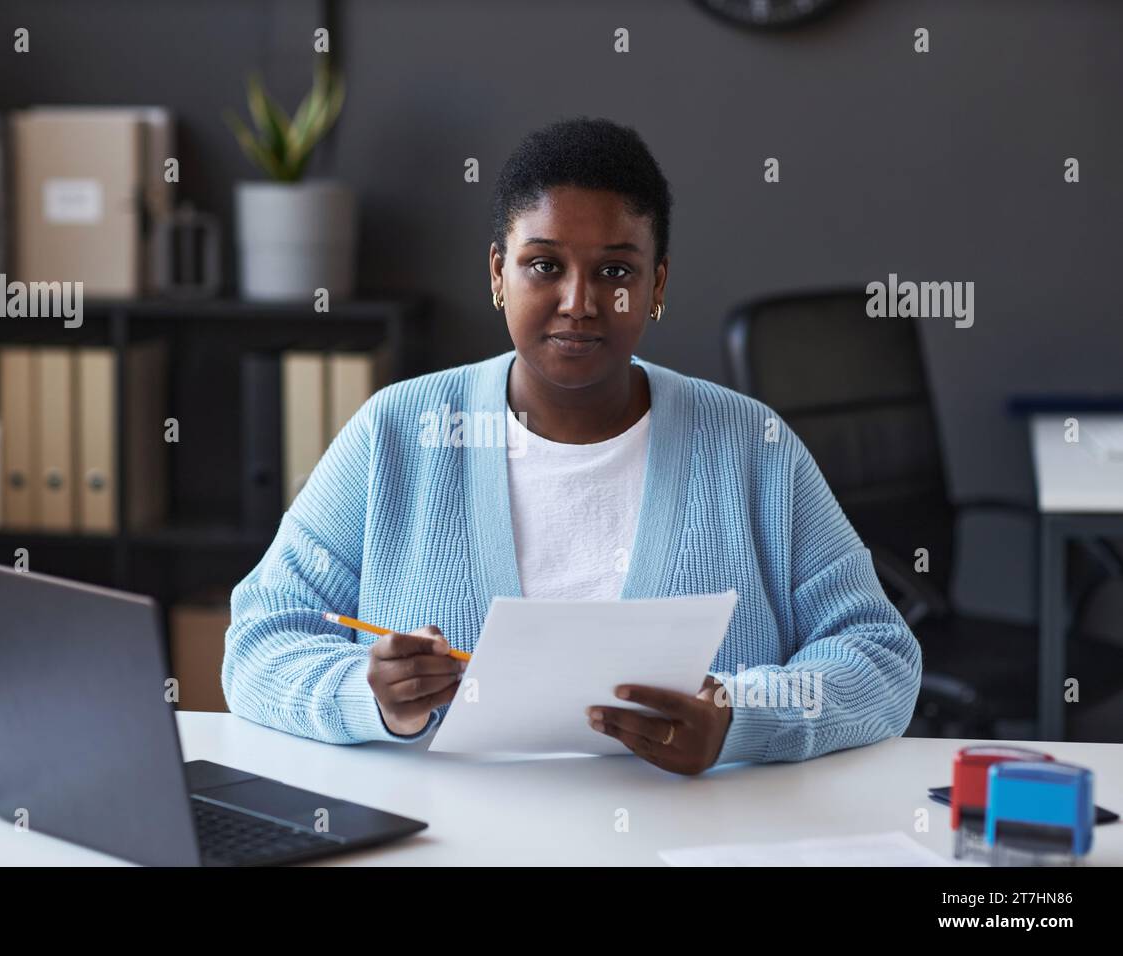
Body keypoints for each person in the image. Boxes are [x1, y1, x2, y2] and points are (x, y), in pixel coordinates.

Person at [223, 116, 921, 776]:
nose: (579, 301)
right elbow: (257, 644)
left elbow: (880, 656)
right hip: (449, 844)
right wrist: (367, 695)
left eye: (616, 271)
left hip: (693, 842)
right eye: (543, 265)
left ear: (658, 286)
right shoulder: (396, 433)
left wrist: (742, 718)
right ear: (498, 274)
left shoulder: (752, 447)